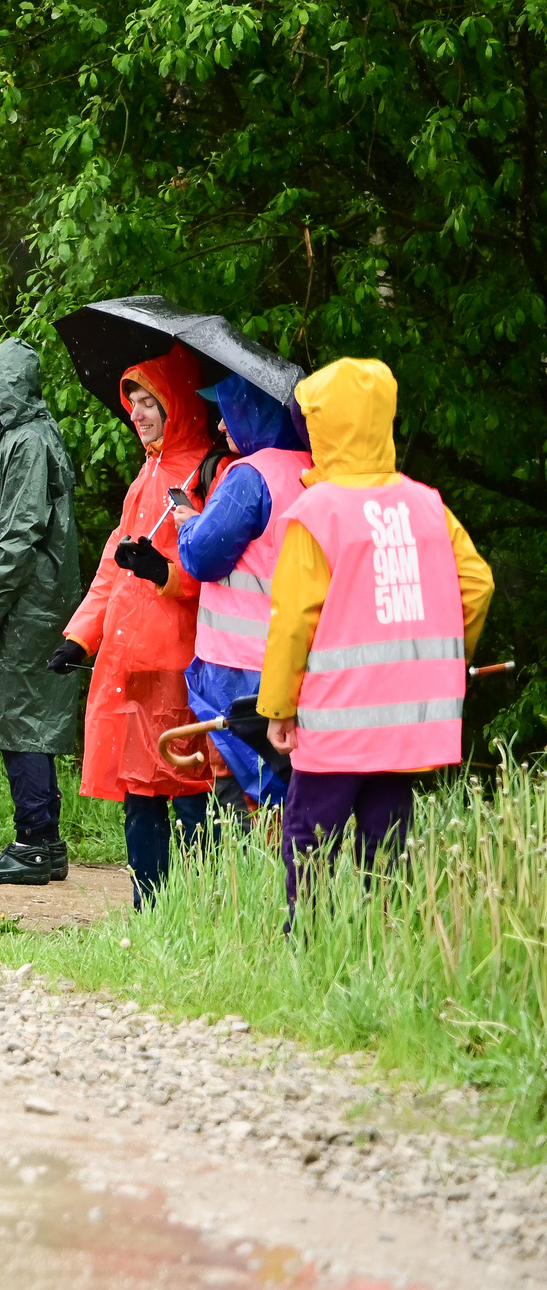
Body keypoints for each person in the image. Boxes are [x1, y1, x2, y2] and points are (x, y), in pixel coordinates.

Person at [259, 359, 492, 920]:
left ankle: (308, 943)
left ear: (321, 427)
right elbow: (477, 586)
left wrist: (278, 708)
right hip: (406, 719)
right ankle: (382, 939)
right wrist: (444, 664)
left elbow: (294, 620)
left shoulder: (316, 511)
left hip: (337, 719)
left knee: (309, 836)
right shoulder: (425, 502)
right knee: (386, 841)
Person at [51, 346, 222, 905]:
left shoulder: (208, 472)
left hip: (176, 659)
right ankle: (149, 909)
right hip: (127, 657)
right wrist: (80, 638)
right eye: (136, 403)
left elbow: (218, 573)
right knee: (139, 790)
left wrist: (165, 574)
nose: (141, 413)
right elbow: (111, 567)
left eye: (153, 401)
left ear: (179, 405)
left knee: (188, 782)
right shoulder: (148, 472)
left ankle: (198, 908)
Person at [0, 340, 87, 885]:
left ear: (7, 388)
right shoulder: (27, 436)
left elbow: (20, 530)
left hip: (26, 606)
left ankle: (35, 844)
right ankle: (44, 843)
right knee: (24, 719)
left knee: (23, 723)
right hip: (30, 602)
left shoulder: (28, 441)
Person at [175, 373, 314, 819]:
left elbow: (203, 556)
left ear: (253, 410)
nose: (219, 427)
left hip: (239, 669)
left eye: (228, 411)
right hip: (297, 661)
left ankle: (245, 885)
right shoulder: (315, 467)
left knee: (246, 794)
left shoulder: (251, 475)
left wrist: (187, 523)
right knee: (296, 787)